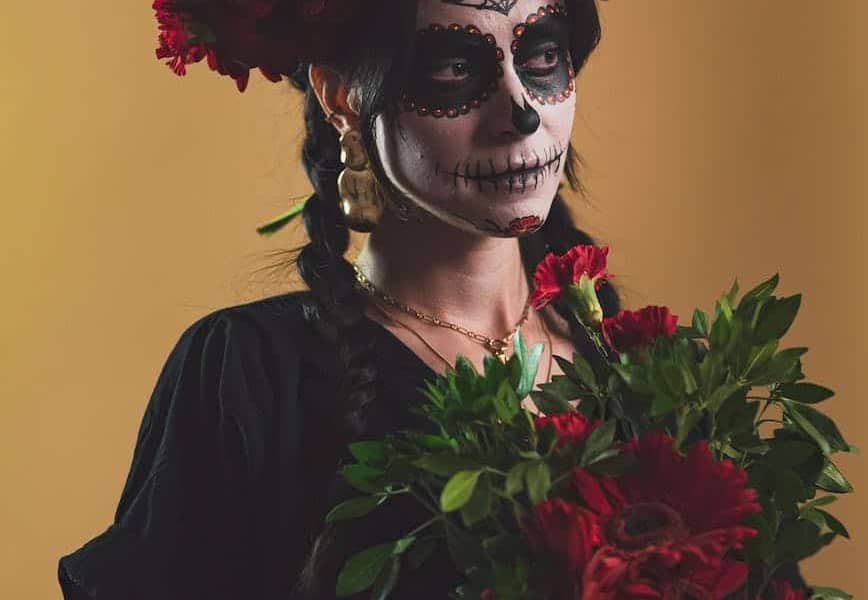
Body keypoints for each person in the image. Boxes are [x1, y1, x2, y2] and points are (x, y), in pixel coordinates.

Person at [59, 1, 799, 598]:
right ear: (343, 96)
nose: (523, 112)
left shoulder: (659, 376)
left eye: (542, 55)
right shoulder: (251, 375)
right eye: (455, 67)